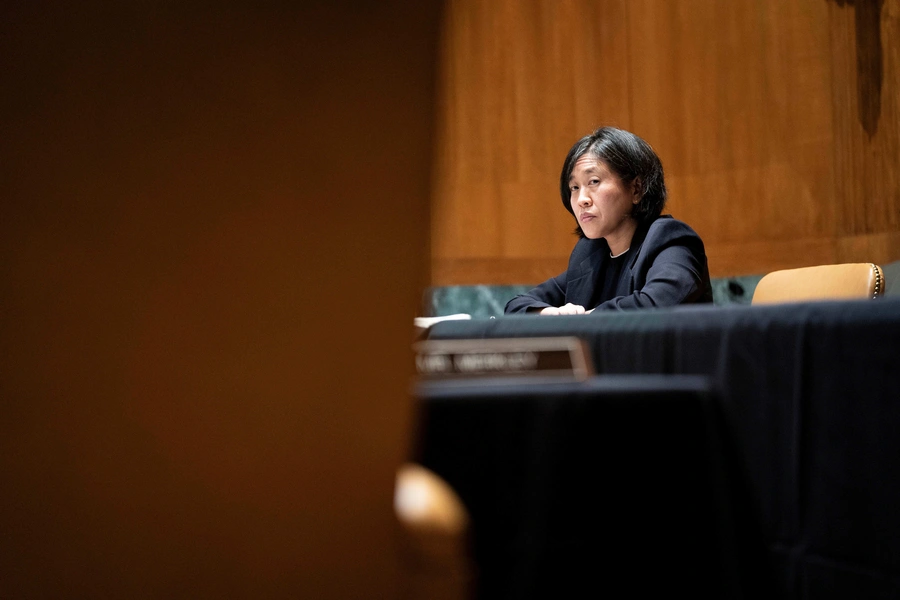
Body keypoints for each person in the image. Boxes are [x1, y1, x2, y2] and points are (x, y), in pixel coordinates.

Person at [505, 126, 713, 314]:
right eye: (574, 188)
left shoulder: (670, 240)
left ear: (636, 189)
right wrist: (551, 315)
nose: (582, 200)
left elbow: (656, 304)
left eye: (593, 182)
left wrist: (583, 320)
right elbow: (517, 306)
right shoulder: (590, 254)